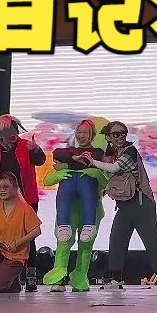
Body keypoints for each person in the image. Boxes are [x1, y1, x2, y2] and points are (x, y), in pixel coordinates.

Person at [88, 121, 157, 291]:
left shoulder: (130, 151)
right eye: (115, 134)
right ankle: (116, 280)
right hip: (124, 205)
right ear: (108, 137)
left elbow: (115, 169)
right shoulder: (114, 154)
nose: (120, 137)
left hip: (141, 202)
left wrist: (93, 162)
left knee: (151, 240)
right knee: (117, 239)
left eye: (122, 133)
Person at [42, 119, 110, 292]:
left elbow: (106, 183)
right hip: (69, 209)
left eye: (85, 132)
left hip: (91, 208)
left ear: (92, 135)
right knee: (64, 241)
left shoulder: (97, 156)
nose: (81, 135)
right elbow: (47, 179)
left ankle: (80, 276)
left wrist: (96, 174)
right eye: (79, 132)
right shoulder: (67, 154)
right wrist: (61, 172)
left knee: (86, 244)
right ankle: (59, 277)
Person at [0, 114, 46, 291]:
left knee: (29, 236)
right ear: (0, 133)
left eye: (15, 130)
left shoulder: (26, 145)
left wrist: (36, 150)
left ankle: (31, 276)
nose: (13, 135)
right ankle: (10, 277)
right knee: (4, 235)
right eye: (8, 132)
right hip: (2, 201)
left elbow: (41, 161)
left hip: (27, 199)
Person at [0, 173, 43, 293]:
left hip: (16, 256)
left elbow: (36, 231)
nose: (2, 190)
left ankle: (10, 282)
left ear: (15, 187)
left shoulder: (25, 209)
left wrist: (18, 242)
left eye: (6, 187)